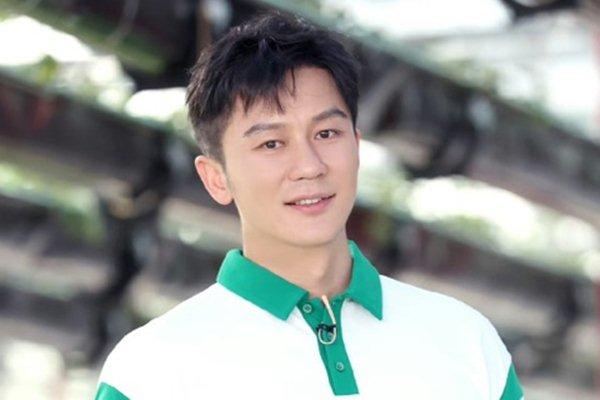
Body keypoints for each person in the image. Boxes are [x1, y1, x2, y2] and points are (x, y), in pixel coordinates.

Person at [94, 12, 524, 399]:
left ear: (356, 147)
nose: (309, 166)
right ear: (216, 178)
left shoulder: (464, 340)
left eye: (326, 134)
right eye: (271, 143)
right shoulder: (152, 370)